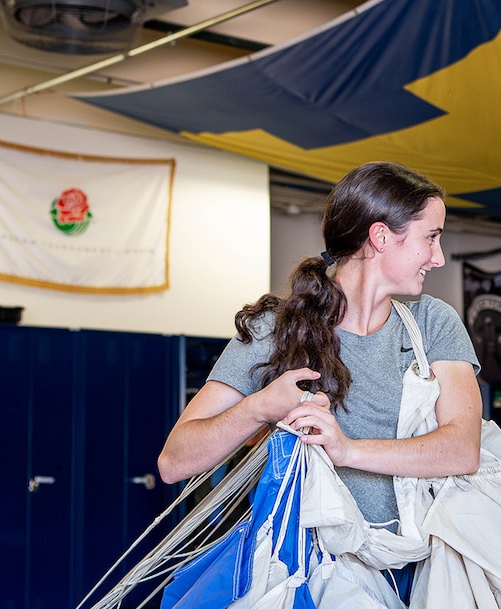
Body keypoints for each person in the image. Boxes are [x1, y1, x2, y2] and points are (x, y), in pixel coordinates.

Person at [158, 161, 482, 537]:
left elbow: (462, 448)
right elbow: (174, 461)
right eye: (430, 237)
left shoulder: (432, 323)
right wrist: (258, 406)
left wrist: (349, 451)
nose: (439, 257)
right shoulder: (277, 328)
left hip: (417, 571)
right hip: (310, 577)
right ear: (380, 236)